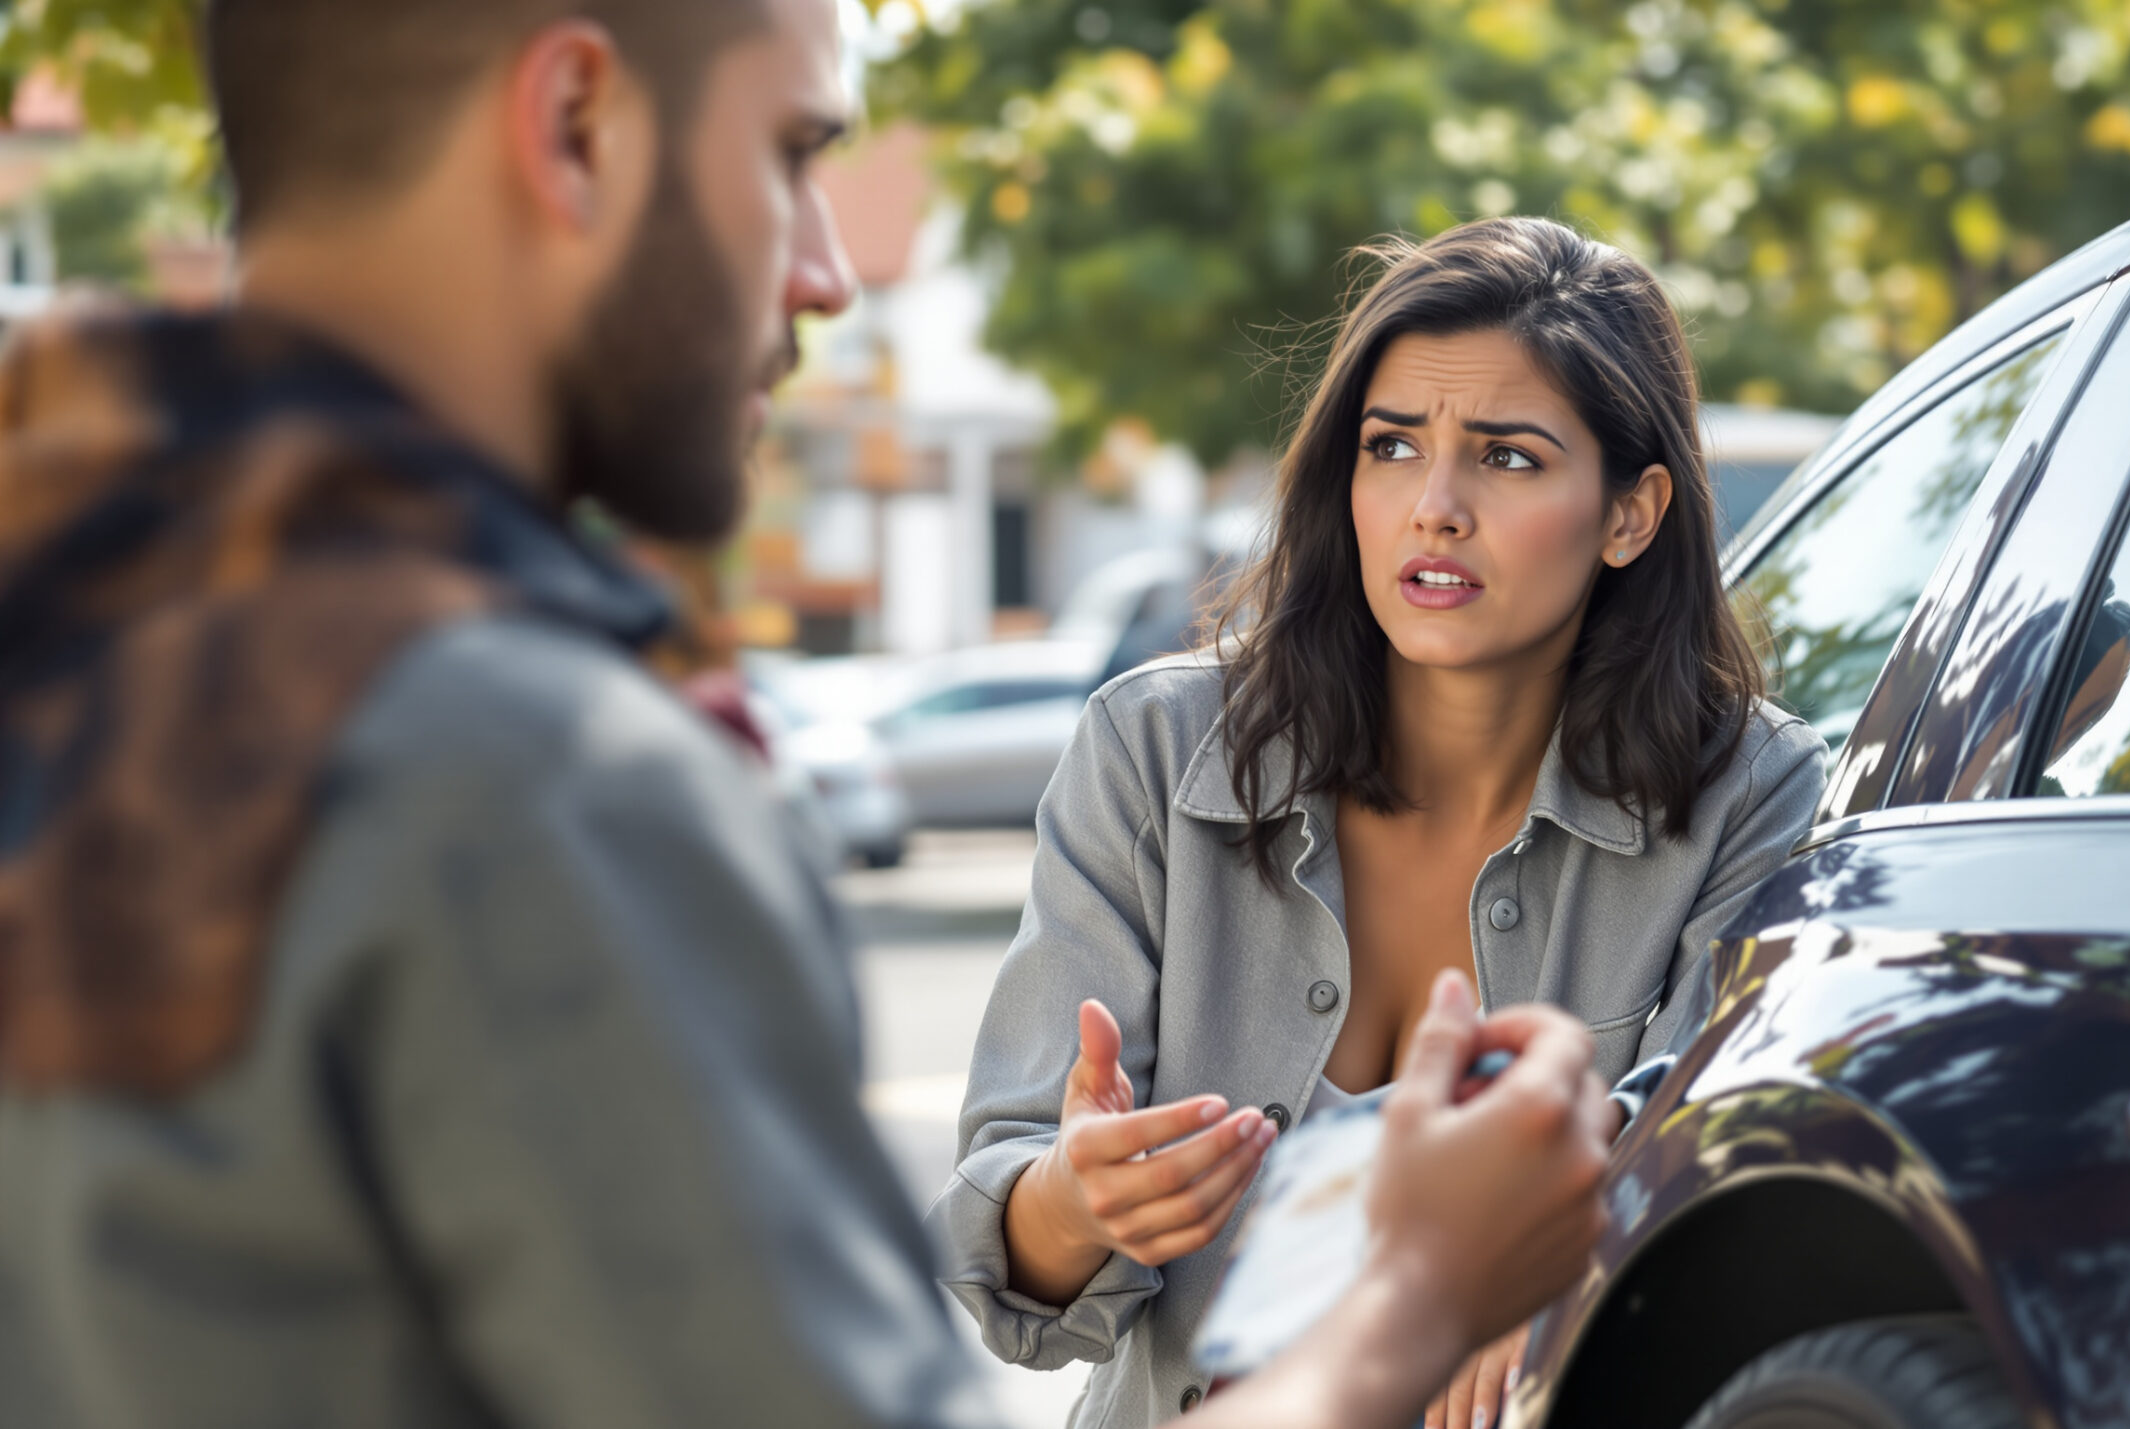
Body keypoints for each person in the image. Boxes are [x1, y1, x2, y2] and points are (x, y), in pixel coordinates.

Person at [0, 3, 1613, 1427]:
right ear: (574, 124)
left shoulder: (91, 638)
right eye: (790, 155)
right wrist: (1417, 1292)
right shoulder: (541, 775)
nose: (832, 273)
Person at [936, 217, 1829, 1429]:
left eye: (1507, 458)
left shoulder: (1753, 795)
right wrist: (1074, 1201)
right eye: (1393, 446)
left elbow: (1713, 1184)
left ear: (1630, 513)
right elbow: (1009, 1275)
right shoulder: (1150, 750)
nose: (1435, 507)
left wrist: (1561, 1266)